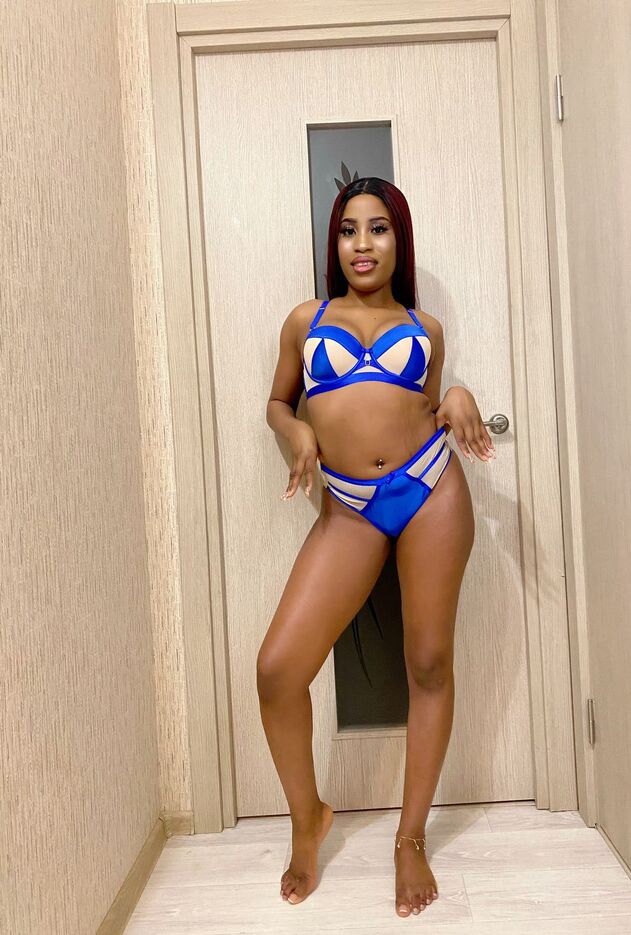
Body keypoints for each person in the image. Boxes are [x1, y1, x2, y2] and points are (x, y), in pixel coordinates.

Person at [258, 176, 494, 917]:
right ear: (335, 242)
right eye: (349, 230)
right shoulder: (306, 319)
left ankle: (410, 838)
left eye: (379, 228)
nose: (362, 244)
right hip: (350, 509)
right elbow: (278, 401)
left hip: (430, 489)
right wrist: (296, 430)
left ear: (399, 240)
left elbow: (426, 402)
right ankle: (308, 817)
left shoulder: (425, 327)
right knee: (277, 671)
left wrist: (455, 397)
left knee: (428, 663)